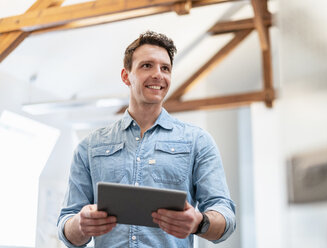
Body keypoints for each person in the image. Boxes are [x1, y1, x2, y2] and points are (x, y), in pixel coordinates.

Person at [57, 30, 236, 248]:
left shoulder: (198, 141)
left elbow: (225, 216)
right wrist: (80, 224)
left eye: (165, 68)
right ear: (126, 76)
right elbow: (66, 226)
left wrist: (200, 222)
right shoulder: (89, 146)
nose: (158, 75)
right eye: (147, 65)